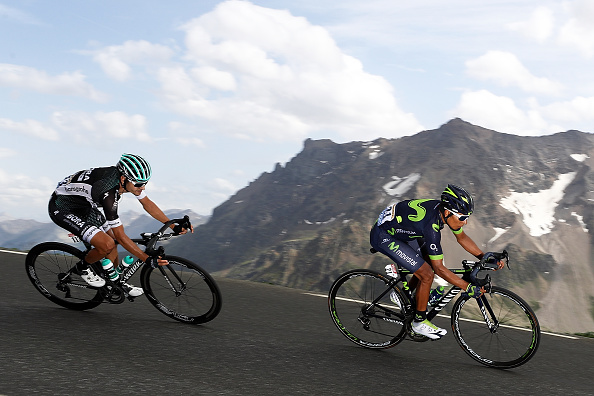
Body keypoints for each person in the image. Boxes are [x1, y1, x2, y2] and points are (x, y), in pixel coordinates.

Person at [369, 184, 504, 340]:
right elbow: (440, 269)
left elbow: (462, 238)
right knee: (427, 274)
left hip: (402, 229)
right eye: (462, 218)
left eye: (467, 218)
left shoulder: (443, 212)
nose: (465, 222)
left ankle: (402, 295)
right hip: (384, 236)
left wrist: (483, 256)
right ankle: (419, 323)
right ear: (447, 212)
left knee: (429, 261)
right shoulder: (431, 227)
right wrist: (467, 287)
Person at [49, 153, 193, 297]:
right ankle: (82, 268)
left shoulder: (127, 180)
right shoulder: (107, 192)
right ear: (124, 179)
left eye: (145, 183)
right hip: (62, 207)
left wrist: (173, 226)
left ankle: (114, 281)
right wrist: (147, 259)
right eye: (138, 184)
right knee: (107, 244)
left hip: (85, 206)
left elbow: (147, 203)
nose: (142, 188)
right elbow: (121, 235)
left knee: (113, 242)